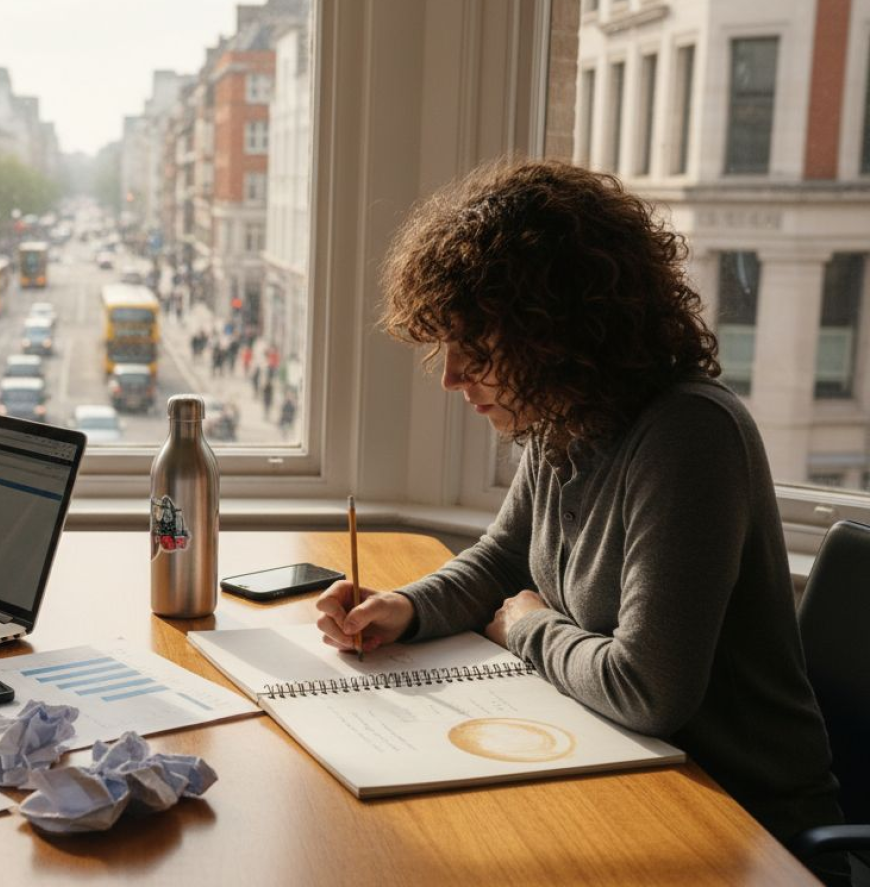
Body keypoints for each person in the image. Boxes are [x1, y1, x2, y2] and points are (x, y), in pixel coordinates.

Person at [314, 158, 844, 866]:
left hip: (742, 820)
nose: (450, 377)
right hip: (632, 772)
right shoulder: (565, 414)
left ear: (555, 332)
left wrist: (529, 626)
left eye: (474, 348)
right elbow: (504, 560)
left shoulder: (689, 435)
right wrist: (404, 608)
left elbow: (648, 690)